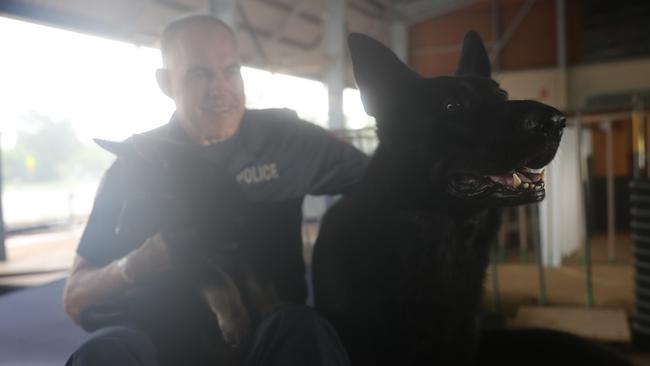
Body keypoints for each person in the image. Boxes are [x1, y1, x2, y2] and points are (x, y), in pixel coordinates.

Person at [63, 14, 368, 366]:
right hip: (161, 341)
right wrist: (135, 266)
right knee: (103, 354)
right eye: (199, 73)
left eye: (231, 71)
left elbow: (386, 185)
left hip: (271, 333)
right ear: (166, 82)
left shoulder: (288, 140)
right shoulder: (135, 162)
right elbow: (75, 298)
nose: (219, 88)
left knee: (307, 333)